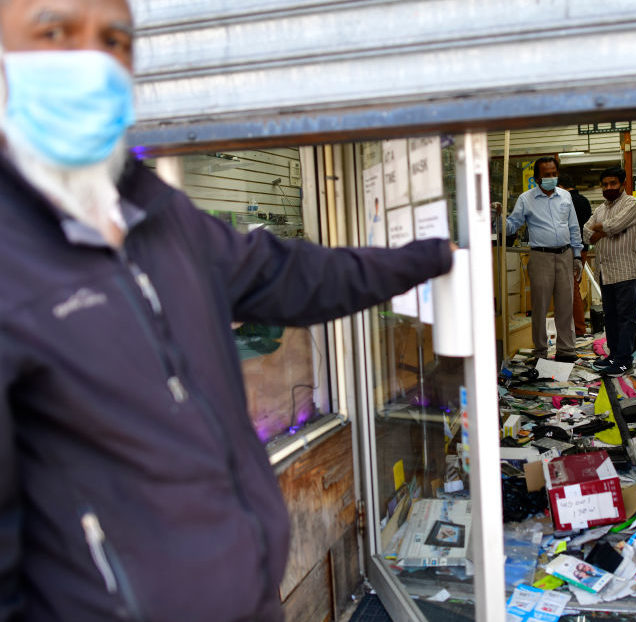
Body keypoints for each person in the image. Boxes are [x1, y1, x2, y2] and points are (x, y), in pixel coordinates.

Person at [0, 1, 453, 620]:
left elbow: (293, 276)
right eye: (54, 32)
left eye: (113, 39)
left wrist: (427, 258)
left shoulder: (158, 214)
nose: (91, 60)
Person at [502, 156, 583, 362]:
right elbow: (512, 225)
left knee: (565, 305)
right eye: (547, 175)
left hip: (565, 255)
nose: (551, 178)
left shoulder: (565, 197)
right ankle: (540, 352)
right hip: (541, 257)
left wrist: (577, 256)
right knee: (539, 307)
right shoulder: (525, 199)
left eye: (554, 174)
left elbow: (573, 227)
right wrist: (498, 217)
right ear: (537, 178)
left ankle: (566, 350)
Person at [583, 166, 636, 377]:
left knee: (627, 318)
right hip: (605, 272)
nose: (609, 188)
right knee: (611, 318)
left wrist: (603, 230)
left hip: (625, 271)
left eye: (613, 184)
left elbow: (615, 226)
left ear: (623, 183)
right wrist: (603, 230)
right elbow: (586, 233)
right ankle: (614, 355)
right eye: (605, 184)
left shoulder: (631, 204)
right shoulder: (600, 209)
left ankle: (625, 361)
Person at [557, 171, 592, 336]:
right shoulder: (584, 201)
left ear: (561, 186)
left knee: (571, 288)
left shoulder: (565, 200)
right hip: (582, 249)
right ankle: (577, 327)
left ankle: (578, 329)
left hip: (569, 249)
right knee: (573, 287)